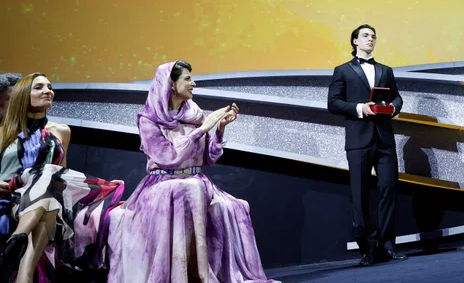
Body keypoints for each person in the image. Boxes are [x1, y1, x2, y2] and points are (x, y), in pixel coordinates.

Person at [107, 61, 275, 282]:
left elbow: (208, 158)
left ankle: (207, 274)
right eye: (187, 79)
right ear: (171, 84)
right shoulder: (149, 120)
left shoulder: (195, 115)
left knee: (234, 206)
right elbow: (166, 156)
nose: (193, 83)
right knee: (189, 188)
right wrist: (203, 129)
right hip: (161, 185)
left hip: (196, 180)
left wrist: (219, 130)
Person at [0, 73, 124, 283]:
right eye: (39, 87)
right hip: (10, 197)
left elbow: (62, 173)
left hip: (49, 196)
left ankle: (20, 239)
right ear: (22, 95)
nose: (48, 91)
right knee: (48, 193)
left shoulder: (61, 131)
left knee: (50, 178)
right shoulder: (3, 131)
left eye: (50, 87)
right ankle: (24, 275)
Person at [327, 24, 406, 267]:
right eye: (365, 36)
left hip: (384, 139)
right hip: (358, 141)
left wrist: (392, 108)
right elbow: (333, 103)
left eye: (373, 36)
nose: (370, 39)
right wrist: (361, 108)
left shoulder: (385, 70)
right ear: (354, 42)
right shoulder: (342, 70)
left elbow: (397, 97)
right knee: (360, 196)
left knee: (388, 191)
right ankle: (368, 249)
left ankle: (387, 246)